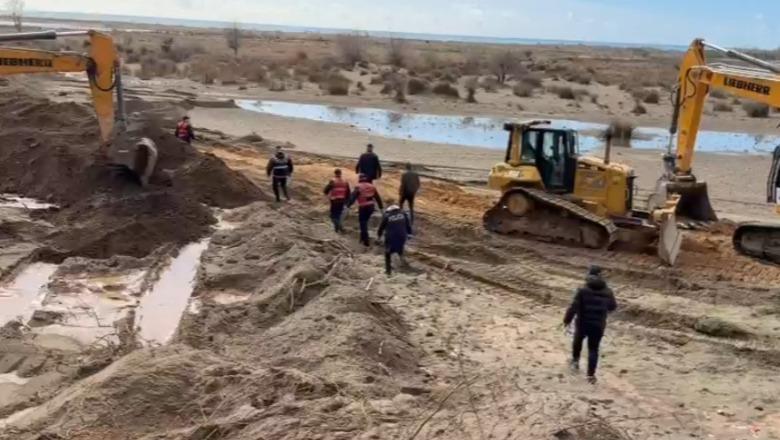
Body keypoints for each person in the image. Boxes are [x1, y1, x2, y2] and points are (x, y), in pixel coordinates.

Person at [563, 265, 617, 384]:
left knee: (578, 340)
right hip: (598, 324)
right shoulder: (608, 291)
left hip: (583, 322)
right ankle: (590, 376)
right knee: (593, 348)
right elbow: (613, 307)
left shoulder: (582, 290)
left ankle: (575, 362)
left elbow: (573, 307)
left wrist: (567, 320)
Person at [377, 200, 412, 275]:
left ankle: (388, 271)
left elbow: (381, 228)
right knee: (400, 250)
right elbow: (408, 225)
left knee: (387, 253)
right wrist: (409, 234)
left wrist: (379, 236)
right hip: (402, 236)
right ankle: (404, 267)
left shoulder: (387, 216)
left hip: (390, 237)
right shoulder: (403, 213)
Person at [348, 174, 383, 247]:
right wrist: (381, 207)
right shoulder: (372, 186)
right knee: (364, 222)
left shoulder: (358, 187)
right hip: (371, 207)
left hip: (363, 207)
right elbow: (378, 198)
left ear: (360, 179)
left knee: (363, 222)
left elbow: (353, 197)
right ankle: (362, 238)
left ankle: (366, 241)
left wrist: (348, 205)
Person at [323, 168, 351, 233]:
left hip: (334, 200)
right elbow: (348, 192)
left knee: (333, 216)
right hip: (342, 200)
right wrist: (347, 201)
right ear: (340, 173)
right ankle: (338, 229)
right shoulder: (345, 181)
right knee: (338, 214)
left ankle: (339, 228)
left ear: (335, 173)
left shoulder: (333, 181)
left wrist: (327, 194)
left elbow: (326, 190)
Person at [399, 162, 420, 226]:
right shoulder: (415, 174)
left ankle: (400, 217)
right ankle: (412, 220)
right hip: (411, 192)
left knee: (401, 203)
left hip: (405, 192)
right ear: (411, 167)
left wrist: (401, 192)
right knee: (411, 206)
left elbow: (403, 184)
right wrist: (414, 190)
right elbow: (418, 184)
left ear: (406, 167)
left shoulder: (404, 174)